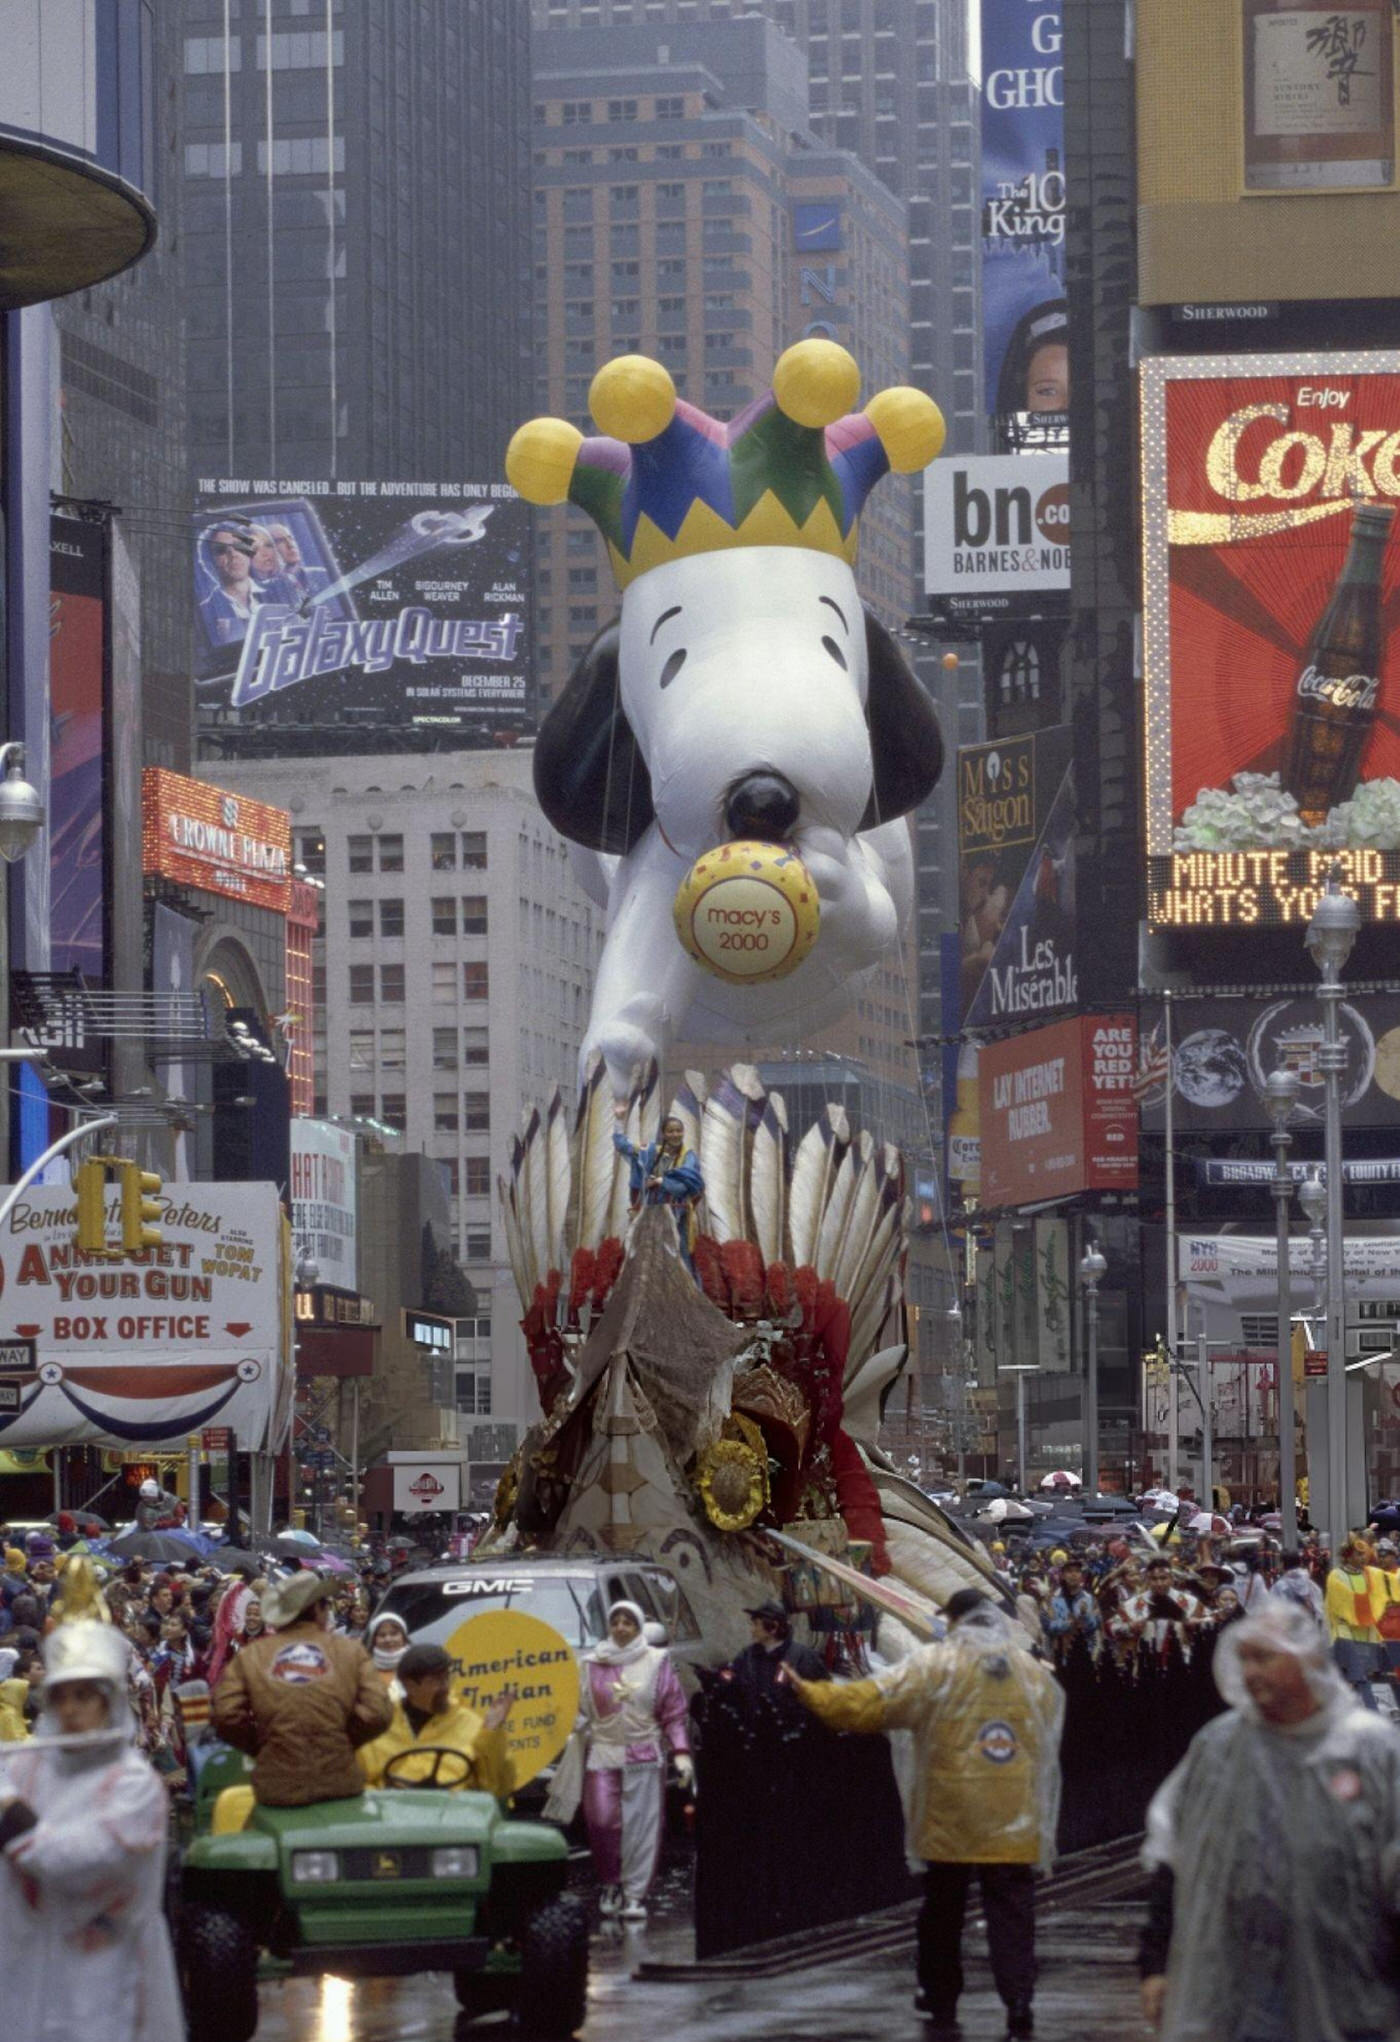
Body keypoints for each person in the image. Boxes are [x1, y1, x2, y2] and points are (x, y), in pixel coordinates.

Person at [783, 1588, 1063, 2042]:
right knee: (1012, 1913)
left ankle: (939, 1995)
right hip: (1013, 1815)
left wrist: (810, 1692)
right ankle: (1018, 2004)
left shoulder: (935, 1666)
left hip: (949, 1815)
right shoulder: (1028, 1672)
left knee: (942, 1911)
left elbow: (870, 1704)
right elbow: (1045, 1726)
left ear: (954, 1621)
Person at [1139, 1600, 1400, 2041]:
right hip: (1243, 1994)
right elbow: (1175, 1858)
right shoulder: (1220, 1748)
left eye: (1265, 1657)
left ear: (1310, 1658)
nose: (1251, 1672)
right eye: (1244, 1658)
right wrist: (1155, 1964)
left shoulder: (1370, 1749)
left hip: (1355, 1991)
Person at [0, 1618, 184, 2042]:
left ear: (109, 1702)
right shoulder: (25, 1766)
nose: (70, 1709)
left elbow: (68, 1861)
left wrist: (7, 1805)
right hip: (28, 1964)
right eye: (60, 1696)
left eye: (84, 1695)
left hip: (106, 1974)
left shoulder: (134, 1786)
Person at [211, 1569, 391, 1806]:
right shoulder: (351, 1651)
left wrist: (266, 1747)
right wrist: (340, 1742)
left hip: (277, 1787)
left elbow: (225, 1714)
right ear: (319, 1609)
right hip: (340, 1784)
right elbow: (377, 1712)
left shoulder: (251, 1656)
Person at [579, 1599, 693, 1922]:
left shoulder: (657, 1662)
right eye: (616, 1622)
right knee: (602, 1821)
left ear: (639, 1627)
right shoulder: (591, 1663)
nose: (620, 1628)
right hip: (603, 1753)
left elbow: (673, 1712)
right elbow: (577, 1707)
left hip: (643, 1754)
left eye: (628, 1622)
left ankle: (634, 1895)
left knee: (641, 1827)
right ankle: (610, 1884)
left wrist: (681, 1752)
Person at [358, 1643, 515, 1795]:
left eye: (447, 1678)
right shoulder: (380, 1724)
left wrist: (492, 1733)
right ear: (410, 1686)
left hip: (455, 1812)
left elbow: (495, 1786)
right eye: (435, 1681)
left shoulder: (470, 1723)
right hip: (394, 1813)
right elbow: (360, 1781)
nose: (445, 1687)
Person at [612, 1114, 704, 1272]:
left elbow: (682, 1187)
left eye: (678, 1131)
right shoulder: (650, 1151)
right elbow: (623, 1146)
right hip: (651, 1214)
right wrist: (619, 1121)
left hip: (677, 1216)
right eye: (670, 1131)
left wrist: (660, 1181)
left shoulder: (689, 1157)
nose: (675, 1134)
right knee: (648, 1257)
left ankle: (683, 1295)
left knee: (680, 1258)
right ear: (663, 1134)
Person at [720, 1600, 830, 1700]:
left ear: (773, 1627)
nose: (752, 1630)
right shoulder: (748, 1654)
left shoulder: (804, 1657)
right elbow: (731, 1679)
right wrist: (721, 1677)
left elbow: (824, 1696)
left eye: (756, 1624)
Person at [1324, 1537, 1384, 1710]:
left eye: (1363, 1554)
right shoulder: (1336, 1576)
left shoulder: (1371, 1575)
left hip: (1367, 1633)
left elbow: (1378, 1599)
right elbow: (1342, 1604)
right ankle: (1372, 1712)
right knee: (1358, 1675)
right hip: (1344, 1633)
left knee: (1358, 1676)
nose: (1362, 1558)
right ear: (1348, 1556)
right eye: (1358, 1554)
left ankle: (1344, 1712)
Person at [1042, 1558, 1101, 1661]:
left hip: (1085, 1655)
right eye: (1069, 1571)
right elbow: (1047, 1626)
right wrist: (1069, 1624)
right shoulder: (1051, 1599)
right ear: (1063, 1575)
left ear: (1081, 1576)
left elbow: (1096, 1624)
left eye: (1077, 1571)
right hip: (1058, 1655)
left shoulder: (1090, 1599)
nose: (1074, 1575)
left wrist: (1085, 1616)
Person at [1270, 1546, 1325, 1626]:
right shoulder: (1310, 1583)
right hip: (1308, 1629)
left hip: (1289, 1631)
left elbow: (1272, 1611)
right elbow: (1319, 1609)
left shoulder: (1279, 1586)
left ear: (1283, 1564)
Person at [365, 1611, 411, 1687]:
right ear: (374, 1640)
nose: (388, 1639)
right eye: (382, 1635)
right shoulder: (366, 1671)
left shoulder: (417, 1665)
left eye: (394, 1634)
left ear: (404, 1637)